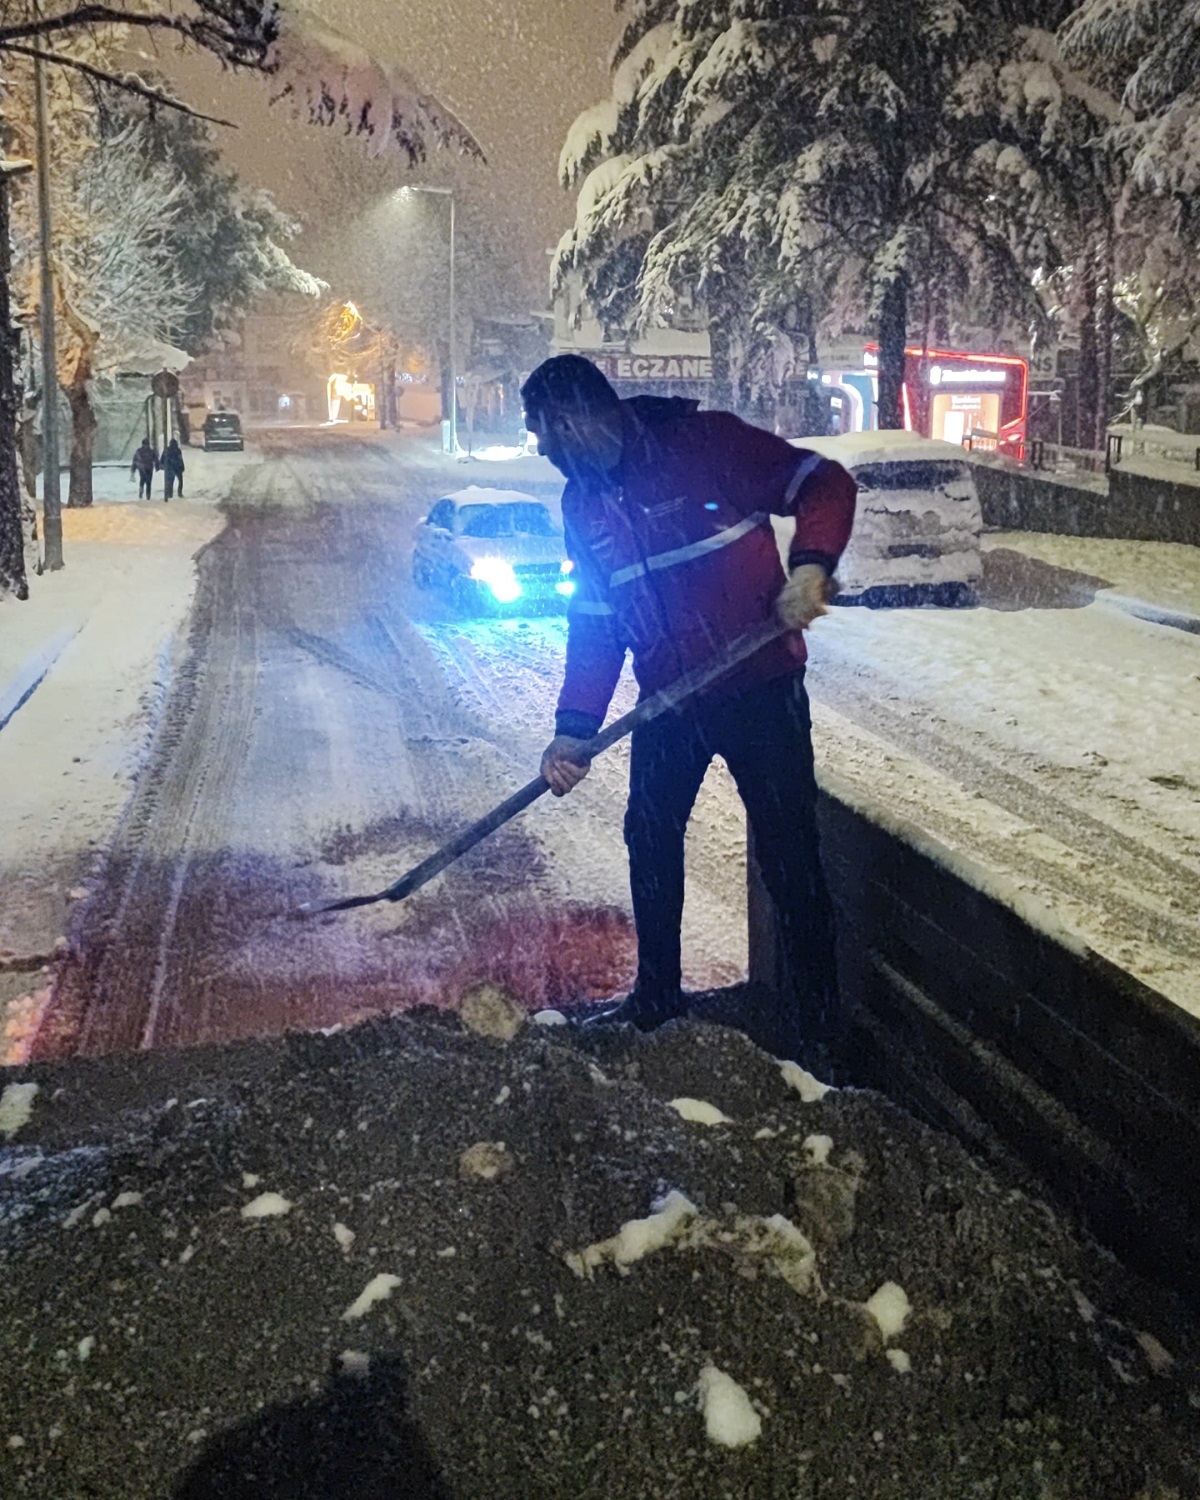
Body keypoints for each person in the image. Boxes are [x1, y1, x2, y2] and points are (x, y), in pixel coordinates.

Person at [521, 354, 857, 1062]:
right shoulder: (583, 505)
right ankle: (657, 1001)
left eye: (542, 431)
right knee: (649, 833)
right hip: (668, 702)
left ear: (572, 418)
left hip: (760, 686)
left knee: (788, 853)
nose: (541, 448)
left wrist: (811, 565)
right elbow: (596, 622)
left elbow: (822, 482)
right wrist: (573, 728)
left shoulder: (704, 445)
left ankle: (817, 1024)